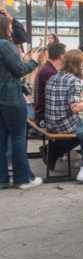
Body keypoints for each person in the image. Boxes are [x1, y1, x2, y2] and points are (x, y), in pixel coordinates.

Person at [0, 16, 41, 189]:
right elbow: (20, 70)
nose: (11, 31)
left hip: (1, 99)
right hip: (11, 98)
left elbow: (10, 67)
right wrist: (33, 61)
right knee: (17, 138)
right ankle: (23, 178)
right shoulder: (4, 45)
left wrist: (21, 61)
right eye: (9, 27)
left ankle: (2, 179)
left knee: (1, 140)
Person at [45, 49, 83, 181]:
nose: (82, 66)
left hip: (51, 122)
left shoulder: (53, 78)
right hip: (65, 123)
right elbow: (75, 107)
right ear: (77, 64)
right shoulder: (73, 81)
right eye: (81, 64)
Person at [34, 42, 66, 128]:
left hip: (42, 115)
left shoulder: (46, 68)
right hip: (45, 118)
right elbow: (57, 97)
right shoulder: (49, 72)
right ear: (61, 56)